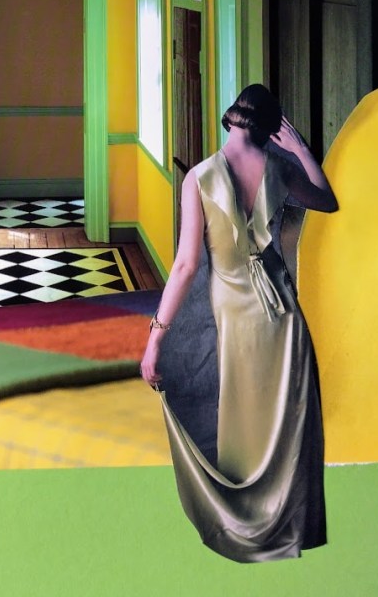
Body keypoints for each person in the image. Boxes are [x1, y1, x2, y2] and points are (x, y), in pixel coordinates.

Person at [141, 83, 338, 563]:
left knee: (243, 423)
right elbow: (327, 200)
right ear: (270, 130)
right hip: (284, 319)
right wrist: (301, 149)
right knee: (287, 427)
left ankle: (243, 525)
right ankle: (289, 531)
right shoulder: (280, 168)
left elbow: (185, 266)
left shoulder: (199, 178)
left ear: (230, 119)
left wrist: (155, 338)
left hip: (237, 319)